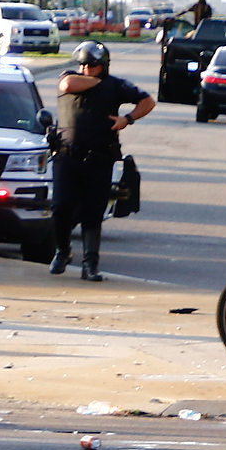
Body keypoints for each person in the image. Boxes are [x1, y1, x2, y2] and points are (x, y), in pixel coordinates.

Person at [50, 41, 153, 282]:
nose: (85, 69)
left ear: (103, 65)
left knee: (93, 212)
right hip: (67, 157)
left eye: (91, 65)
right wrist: (99, 83)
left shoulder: (116, 85)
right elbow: (68, 84)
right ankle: (62, 251)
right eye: (83, 64)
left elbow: (148, 101)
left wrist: (127, 119)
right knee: (61, 207)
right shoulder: (70, 77)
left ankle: (90, 264)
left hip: (99, 159)